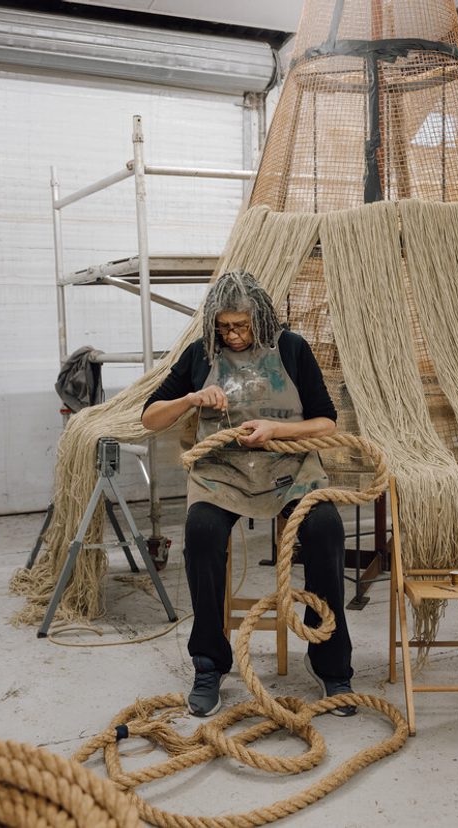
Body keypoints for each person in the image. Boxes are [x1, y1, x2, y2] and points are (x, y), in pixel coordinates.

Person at [142, 270, 355, 718]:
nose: (232, 335)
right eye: (223, 327)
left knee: (326, 529)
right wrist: (192, 399)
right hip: (223, 475)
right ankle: (208, 663)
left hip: (290, 470)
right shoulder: (201, 354)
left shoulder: (292, 349)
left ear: (261, 317)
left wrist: (278, 429)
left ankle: (332, 664)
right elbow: (151, 418)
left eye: (240, 325)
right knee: (200, 532)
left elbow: (327, 422)